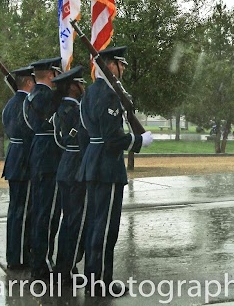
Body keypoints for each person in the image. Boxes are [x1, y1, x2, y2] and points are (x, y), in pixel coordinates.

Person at [77, 45, 153, 294]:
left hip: (93, 163)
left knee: (94, 224)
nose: (123, 70)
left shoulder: (89, 93)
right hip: (107, 166)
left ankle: (93, 279)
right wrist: (139, 141)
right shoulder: (108, 96)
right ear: (111, 66)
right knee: (105, 227)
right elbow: (111, 138)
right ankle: (100, 283)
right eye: (121, 65)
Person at [23, 57, 63, 279]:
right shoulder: (47, 97)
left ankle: (38, 259)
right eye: (57, 73)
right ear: (51, 74)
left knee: (40, 211)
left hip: (38, 154)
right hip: (49, 157)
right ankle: (43, 264)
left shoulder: (31, 96)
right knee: (48, 214)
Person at [53, 65, 88, 282]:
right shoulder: (78, 111)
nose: (84, 86)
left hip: (64, 165)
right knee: (77, 221)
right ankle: (68, 267)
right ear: (73, 87)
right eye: (81, 83)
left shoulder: (58, 110)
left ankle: (62, 265)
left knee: (68, 220)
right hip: (77, 168)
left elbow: (59, 140)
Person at [2, 65, 35, 270]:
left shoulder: (10, 104)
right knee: (23, 211)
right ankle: (21, 257)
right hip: (24, 160)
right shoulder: (26, 105)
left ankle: (14, 254)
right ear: (29, 82)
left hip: (14, 158)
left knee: (15, 210)